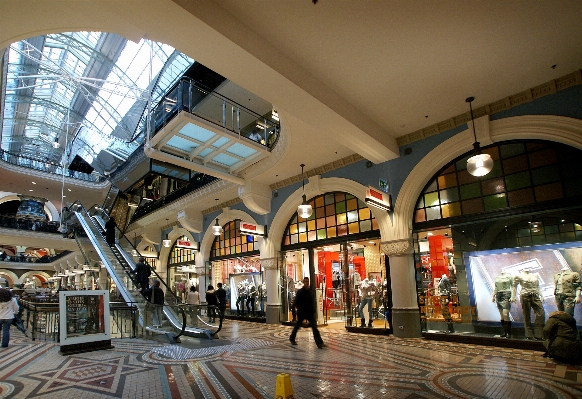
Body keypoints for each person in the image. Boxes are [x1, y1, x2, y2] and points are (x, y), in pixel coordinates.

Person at [289, 277, 325, 348]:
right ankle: (292, 338)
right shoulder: (300, 292)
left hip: (309, 312)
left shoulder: (310, 291)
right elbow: (296, 301)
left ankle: (319, 343)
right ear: (303, 282)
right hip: (302, 312)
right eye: (305, 281)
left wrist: (314, 311)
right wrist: (294, 310)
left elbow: (312, 302)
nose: (306, 283)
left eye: (307, 281)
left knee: (314, 327)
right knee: (297, 326)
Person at [514, 270, 545, 340]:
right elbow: (514, 286)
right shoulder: (519, 276)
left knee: (541, 313)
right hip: (525, 296)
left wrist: (541, 295)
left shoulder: (535, 275)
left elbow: (537, 287)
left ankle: (539, 334)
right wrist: (513, 296)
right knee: (527, 315)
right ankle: (529, 335)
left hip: (535, 295)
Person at [492, 271, 515, 338]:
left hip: (506, 294)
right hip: (498, 295)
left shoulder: (509, 277)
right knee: (502, 315)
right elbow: (496, 288)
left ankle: (509, 333)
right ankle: (505, 332)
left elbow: (513, 287)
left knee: (505, 314)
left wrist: (512, 296)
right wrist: (493, 296)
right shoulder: (497, 278)